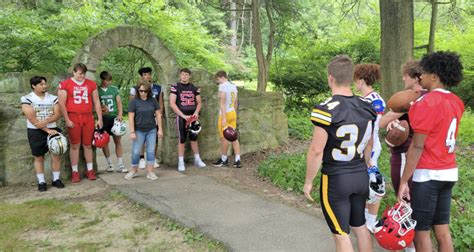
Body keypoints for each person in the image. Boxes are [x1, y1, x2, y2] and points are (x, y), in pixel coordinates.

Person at [304, 55, 375, 252]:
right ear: (352, 78)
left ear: (330, 78)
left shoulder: (326, 109)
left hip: (337, 178)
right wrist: (367, 164)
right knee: (360, 227)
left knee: (341, 234)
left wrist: (309, 181)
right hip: (360, 174)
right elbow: (369, 142)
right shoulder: (366, 106)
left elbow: (317, 150)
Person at [398, 51, 465, 252]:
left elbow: (417, 146)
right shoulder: (457, 101)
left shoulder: (425, 102)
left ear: (434, 76)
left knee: (421, 231)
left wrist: (404, 180)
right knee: (442, 230)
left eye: (424, 73)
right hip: (449, 171)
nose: (421, 77)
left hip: (428, 174)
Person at [380, 60, 425, 252]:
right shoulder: (429, 96)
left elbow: (382, 122)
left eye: (405, 75)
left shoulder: (409, 98)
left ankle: (408, 245)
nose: (402, 78)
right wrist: (397, 124)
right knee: (413, 198)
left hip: (405, 153)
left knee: (403, 198)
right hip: (422, 155)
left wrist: (392, 119)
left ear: (415, 78)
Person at [353, 63, 385, 232]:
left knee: (374, 182)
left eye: (356, 80)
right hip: (367, 145)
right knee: (366, 182)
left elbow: (371, 130)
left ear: (362, 80)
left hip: (369, 147)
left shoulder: (369, 101)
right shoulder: (376, 98)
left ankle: (371, 221)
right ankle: (365, 216)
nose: (354, 83)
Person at [58, 63, 103, 183]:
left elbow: (97, 102)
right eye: (79, 73)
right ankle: (75, 172)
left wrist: (100, 118)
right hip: (73, 117)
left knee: (88, 145)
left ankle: (90, 170)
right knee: (74, 145)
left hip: (88, 117)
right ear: (74, 72)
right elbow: (61, 103)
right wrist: (67, 119)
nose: (82, 76)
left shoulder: (91, 84)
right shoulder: (66, 84)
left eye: (83, 73)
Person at [21, 76, 65, 191]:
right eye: (41, 84)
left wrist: (45, 122)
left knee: (56, 155)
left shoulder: (53, 98)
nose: (44, 86)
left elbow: (57, 114)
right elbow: (31, 118)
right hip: (35, 132)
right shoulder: (27, 98)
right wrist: (46, 130)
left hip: (53, 129)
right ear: (33, 86)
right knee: (39, 157)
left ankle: (56, 179)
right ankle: (41, 182)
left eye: (45, 84)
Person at [124, 80, 163, 180]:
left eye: (145, 91)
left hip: (151, 129)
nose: (143, 93)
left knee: (150, 151)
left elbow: (158, 114)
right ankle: (134, 170)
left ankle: (150, 172)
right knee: (136, 151)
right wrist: (132, 131)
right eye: (141, 91)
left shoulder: (153, 101)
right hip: (139, 130)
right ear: (138, 91)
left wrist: (160, 129)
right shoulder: (134, 102)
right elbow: (131, 117)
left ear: (148, 91)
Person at [169, 68, 206, 172]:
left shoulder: (194, 88)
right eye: (182, 74)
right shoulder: (175, 87)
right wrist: (182, 115)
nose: (184, 76)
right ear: (180, 76)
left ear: (189, 76)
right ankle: (181, 161)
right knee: (182, 139)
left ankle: (197, 159)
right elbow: (172, 103)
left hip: (193, 117)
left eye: (186, 74)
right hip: (182, 117)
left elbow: (199, 102)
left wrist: (195, 113)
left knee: (194, 138)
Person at [129, 67, 163, 169]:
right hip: (140, 117)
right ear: (141, 76)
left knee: (155, 139)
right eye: (144, 74)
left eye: (148, 74)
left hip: (153, 116)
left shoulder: (157, 88)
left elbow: (160, 103)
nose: (147, 76)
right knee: (141, 139)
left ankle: (152, 158)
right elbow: (132, 104)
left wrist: (160, 115)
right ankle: (142, 158)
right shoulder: (135, 88)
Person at [212, 71, 242, 168]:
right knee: (233, 137)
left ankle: (224, 160)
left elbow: (222, 102)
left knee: (224, 137)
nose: (218, 82)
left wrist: (224, 118)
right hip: (232, 113)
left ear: (222, 77)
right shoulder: (233, 86)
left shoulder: (223, 86)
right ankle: (237, 160)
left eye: (218, 80)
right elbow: (236, 102)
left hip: (225, 115)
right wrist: (235, 114)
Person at [98, 71, 127, 173]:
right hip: (104, 118)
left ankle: (120, 164)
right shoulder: (97, 90)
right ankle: (110, 164)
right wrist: (101, 109)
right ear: (102, 79)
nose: (108, 82)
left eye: (109, 80)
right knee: (104, 141)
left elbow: (119, 102)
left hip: (114, 117)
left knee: (117, 141)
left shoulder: (114, 89)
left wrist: (120, 114)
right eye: (106, 80)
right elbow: (95, 105)